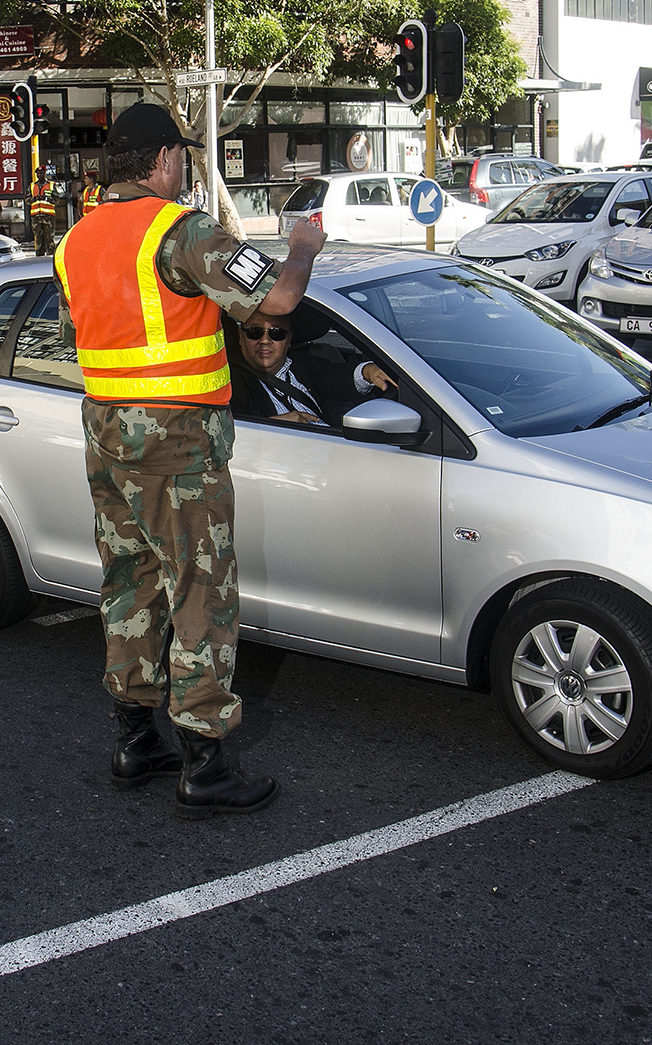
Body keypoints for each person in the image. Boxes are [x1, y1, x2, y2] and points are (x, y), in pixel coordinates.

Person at [54, 103, 325, 820]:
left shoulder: (74, 241)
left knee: (129, 583)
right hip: (177, 442)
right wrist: (303, 246)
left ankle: (134, 739)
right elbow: (279, 296)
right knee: (201, 591)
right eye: (183, 155)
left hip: (107, 436)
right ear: (164, 159)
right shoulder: (183, 231)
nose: (186, 168)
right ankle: (204, 760)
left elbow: (77, 332)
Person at [227, 308, 395, 426]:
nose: (265, 340)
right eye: (254, 332)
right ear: (241, 337)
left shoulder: (302, 363)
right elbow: (229, 435)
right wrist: (273, 425)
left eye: (276, 333)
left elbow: (332, 377)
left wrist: (368, 372)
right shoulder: (230, 383)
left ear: (289, 339)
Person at [28, 171, 57, 255]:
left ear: (44, 174)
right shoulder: (32, 186)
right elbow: (27, 199)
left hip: (48, 216)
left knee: (49, 237)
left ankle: (50, 254)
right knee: (38, 238)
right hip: (36, 216)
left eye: (41, 173)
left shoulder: (51, 185)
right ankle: (39, 256)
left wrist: (47, 198)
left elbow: (56, 199)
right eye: (38, 174)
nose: (39, 175)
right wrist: (34, 199)